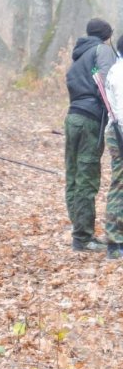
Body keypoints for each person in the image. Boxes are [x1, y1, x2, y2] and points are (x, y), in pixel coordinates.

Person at [65, 18, 117, 252]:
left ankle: (80, 232)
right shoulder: (103, 50)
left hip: (73, 116)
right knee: (86, 175)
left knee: (74, 174)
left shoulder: (79, 55)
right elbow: (106, 86)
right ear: (108, 36)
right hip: (90, 119)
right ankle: (83, 238)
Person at [104, 35, 123, 260]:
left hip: (117, 131)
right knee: (119, 186)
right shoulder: (119, 73)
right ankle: (114, 241)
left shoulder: (115, 70)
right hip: (119, 133)